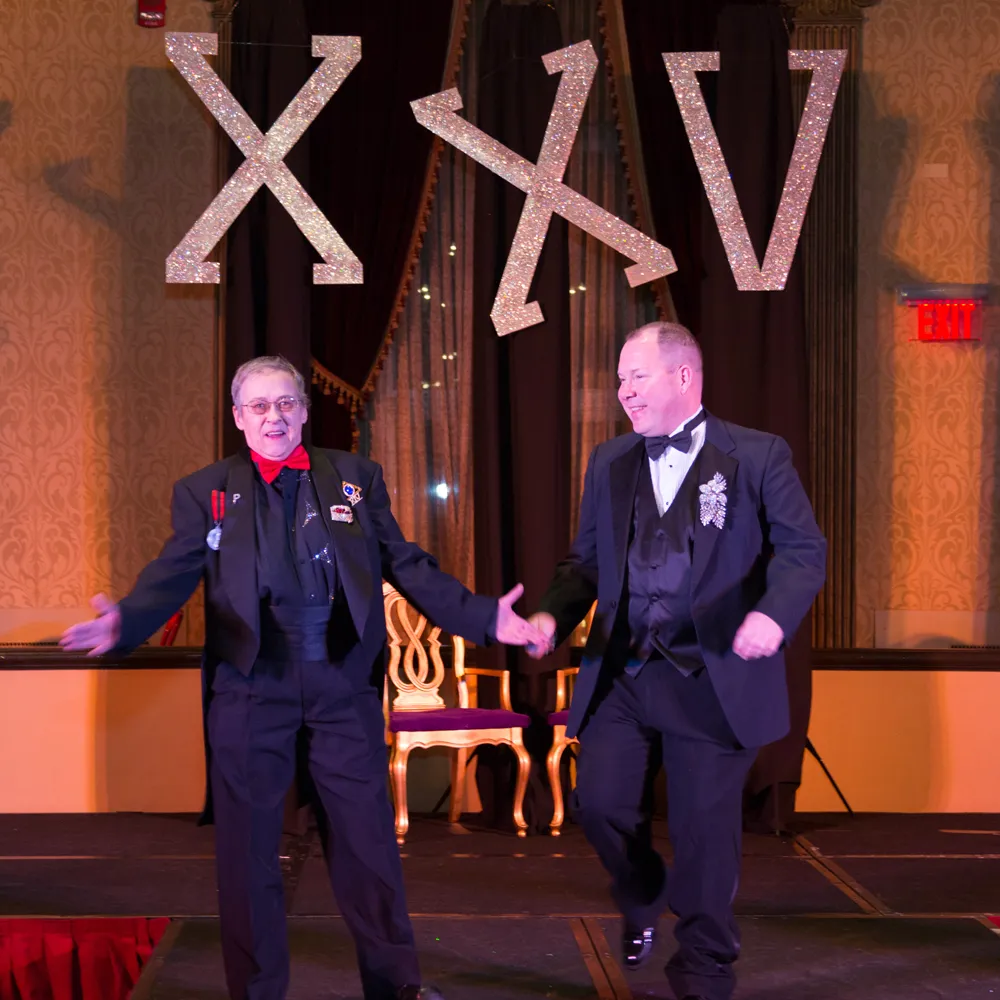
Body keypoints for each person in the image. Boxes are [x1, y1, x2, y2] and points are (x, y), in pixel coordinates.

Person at [61, 355, 547, 1000]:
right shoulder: (205, 490)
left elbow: (407, 563)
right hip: (249, 685)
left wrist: (485, 617)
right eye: (260, 406)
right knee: (248, 855)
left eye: (286, 403)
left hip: (339, 682)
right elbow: (172, 574)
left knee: (368, 846)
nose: (275, 417)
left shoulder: (355, 477)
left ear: (305, 411)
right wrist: (125, 621)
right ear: (239, 417)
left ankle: (396, 986)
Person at [526, 322, 826, 1000]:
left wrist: (772, 615)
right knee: (599, 805)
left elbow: (803, 552)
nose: (624, 391)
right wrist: (551, 616)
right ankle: (640, 891)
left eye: (637, 376)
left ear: (683, 377)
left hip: (713, 674)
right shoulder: (609, 460)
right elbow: (584, 564)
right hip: (626, 672)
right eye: (620, 379)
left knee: (703, 837)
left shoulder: (757, 455)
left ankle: (703, 971)